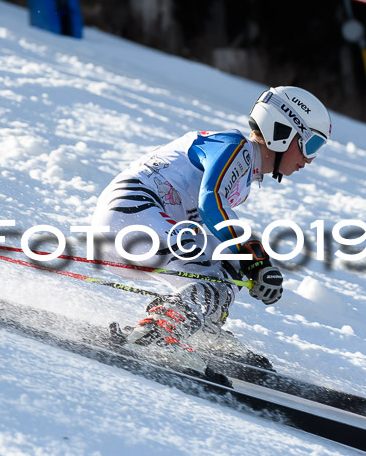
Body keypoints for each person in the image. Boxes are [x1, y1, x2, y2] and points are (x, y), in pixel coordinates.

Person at [91, 86, 332, 371]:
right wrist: (253, 258)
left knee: (229, 260)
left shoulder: (241, 170)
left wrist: (256, 260)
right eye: (311, 145)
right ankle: (158, 333)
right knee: (229, 259)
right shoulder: (234, 147)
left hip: (132, 225)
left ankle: (199, 324)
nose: (309, 159)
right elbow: (210, 203)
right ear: (282, 132)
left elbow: (218, 223)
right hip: (132, 215)